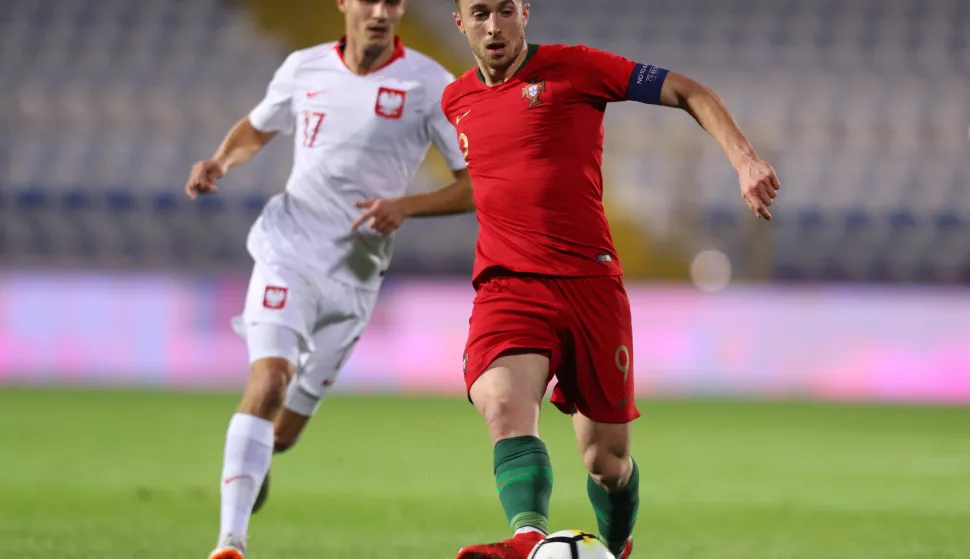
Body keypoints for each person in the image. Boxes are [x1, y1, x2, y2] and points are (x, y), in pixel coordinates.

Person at [411, 1, 781, 557]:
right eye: (480, 12)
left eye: (505, 10)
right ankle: (528, 536)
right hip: (508, 284)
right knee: (503, 404)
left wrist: (744, 159)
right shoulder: (455, 99)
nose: (494, 26)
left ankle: (616, 542)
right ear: (460, 21)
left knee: (605, 461)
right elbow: (483, 185)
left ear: (525, 13)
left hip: (589, 285)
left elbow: (687, 90)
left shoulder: (576, 68)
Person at [183, 1, 471, 558]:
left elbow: (474, 184)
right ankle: (230, 542)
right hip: (288, 248)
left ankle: (252, 459)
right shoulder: (304, 67)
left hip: (357, 276)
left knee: (282, 433)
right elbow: (259, 125)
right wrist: (221, 160)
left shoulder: (430, 83)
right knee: (268, 381)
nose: (381, 11)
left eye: (393, 0)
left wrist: (406, 207)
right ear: (344, 2)